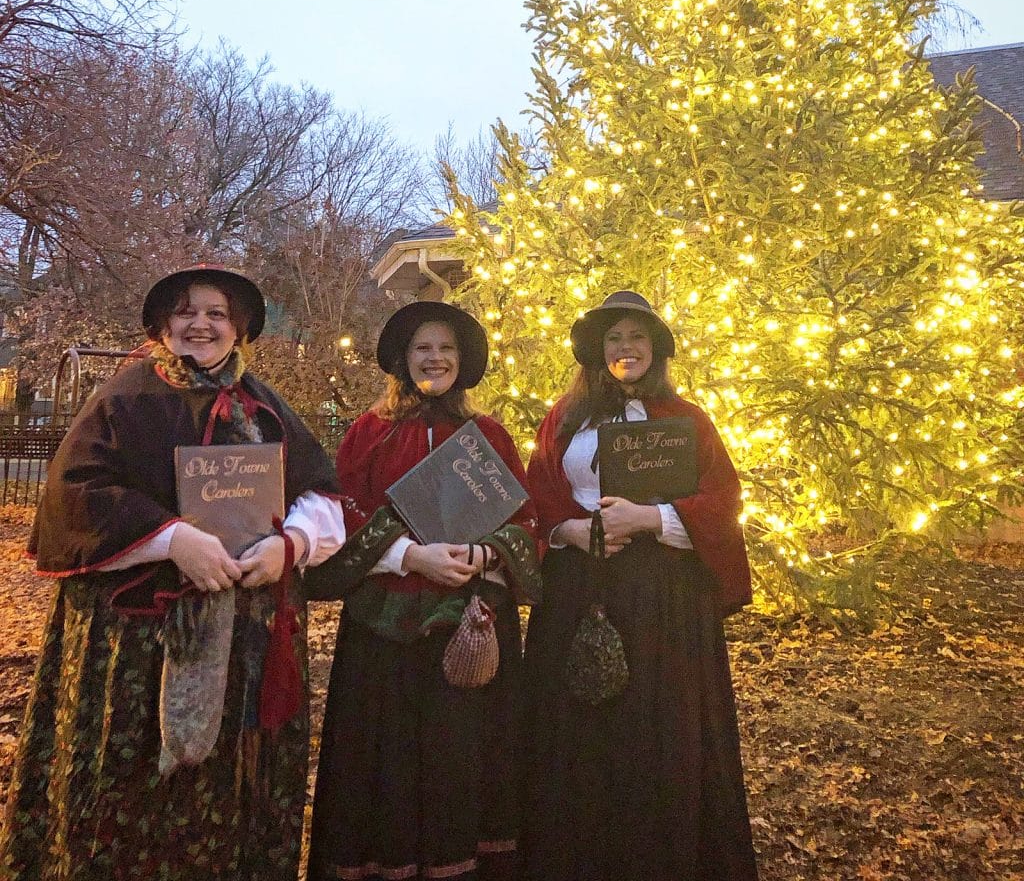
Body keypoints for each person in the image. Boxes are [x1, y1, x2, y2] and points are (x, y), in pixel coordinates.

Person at [0, 265, 351, 881]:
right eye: (186, 312)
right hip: (137, 644)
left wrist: (290, 546)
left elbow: (321, 493)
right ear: (164, 324)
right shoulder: (124, 397)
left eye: (216, 313)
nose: (201, 324)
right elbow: (75, 494)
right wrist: (172, 539)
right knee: (127, 785)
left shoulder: (266, 406)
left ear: (237, 328)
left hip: (246, 635)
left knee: (227, 785)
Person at [522, 291, 758, 881]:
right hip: (580, 587)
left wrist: (653, 519)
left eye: (636, 338)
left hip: (662, 598)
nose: (625, 349)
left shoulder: (687, 419)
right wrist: (570, 531)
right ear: (596, 352)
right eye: (613, 339)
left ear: (655, 349)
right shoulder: (566, 416)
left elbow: (722, 499)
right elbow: (539, 486)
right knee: (577, 733)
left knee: (658, 731)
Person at [305, 301, 540, 881]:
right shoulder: (368, 433)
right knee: (385, 755)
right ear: (403, 361)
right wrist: (410, 555)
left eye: (446, 350)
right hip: (384, 627)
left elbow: (526, 521)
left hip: (471, 621)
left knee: (459, 754)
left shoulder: (489, 436)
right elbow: (341, 521)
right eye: (422, 349)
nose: (434, 359)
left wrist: (483, 554)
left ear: (463, 362)